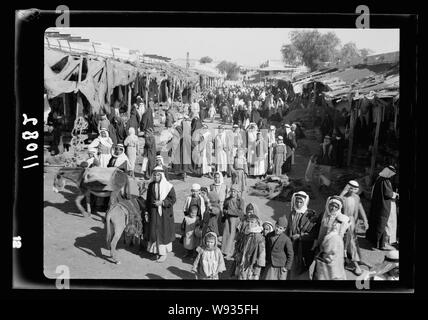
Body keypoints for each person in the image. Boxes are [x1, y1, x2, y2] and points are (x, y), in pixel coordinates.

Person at [287, 191, 321, 280]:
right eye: (297, 201)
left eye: (300, 202)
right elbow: (288, 229)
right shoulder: (292, 213)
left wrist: (299, 236)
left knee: (302, 270)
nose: (298, 204)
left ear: (305, 202)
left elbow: (313, 234)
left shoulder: (310, 215)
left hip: (303, 248)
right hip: (292, 245)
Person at [146, 166, 176, 263]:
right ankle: (156, 252)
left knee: (163, 232)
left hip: (164, 214)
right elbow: (148, 200)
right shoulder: (151, 186)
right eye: (154, 175)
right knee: (154, 232)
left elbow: (173, 199)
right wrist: (147, 211)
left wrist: (163, 203)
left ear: (162, 176)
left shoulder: (169, 186)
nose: (156, 177)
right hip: (154, 213)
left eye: (158, 175)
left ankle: (163, 253)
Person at [340, 180, 369, 275]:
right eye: (351, 188)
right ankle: (356, 265)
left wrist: (365, 220)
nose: (352, 190)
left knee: (352, 241)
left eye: (355, 188)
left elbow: (361, 208)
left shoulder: (357, 197)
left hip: (353, 222)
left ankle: (350, 260)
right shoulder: (343, 197)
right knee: (350, 242)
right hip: (344, 222)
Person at [366, 165, 399, 250]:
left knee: (378, 222)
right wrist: (396, 195)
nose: (392, 176)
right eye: (391, 174)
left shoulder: (379, 179)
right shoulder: (385, 181)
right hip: (384, 206)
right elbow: (388, 194)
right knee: (384, 223)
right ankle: (382, 244)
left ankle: (377, 242)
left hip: (378, 205)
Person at [312, 213, 350, 280]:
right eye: (346, 228)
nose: (346, 230)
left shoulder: (336, 236)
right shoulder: (334, 238)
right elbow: (328, 258)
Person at [234, 214, 266, 280]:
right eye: (248, 221)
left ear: (257, 223)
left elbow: (261, 255)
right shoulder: (245, 233)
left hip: (252, 265)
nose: (249, 224)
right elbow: (239, 248)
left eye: (252, 222)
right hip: (243, 263)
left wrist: (257, 272)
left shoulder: (259, 237)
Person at [263, 216, 294, 280]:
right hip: (271, 264)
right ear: (275, 225)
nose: (277, 229)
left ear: (284, 229)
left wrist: (286, 267)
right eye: (277, 227)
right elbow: (267, 248)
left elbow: (290, 254)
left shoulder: (286, 239)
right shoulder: (269, 235)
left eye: (280, 228)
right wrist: (266, 259)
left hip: (281, 266)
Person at [221, 185, 246, 258]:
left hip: (235, 219)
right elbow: (224, 208)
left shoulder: (240, 200)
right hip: (227, 218)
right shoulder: (227, 199)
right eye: (231, 191)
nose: (233, 192)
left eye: (234, 191)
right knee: (226, 233)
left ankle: (230, 251)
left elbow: (240, 212)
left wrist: (230, 212)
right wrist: (225, 211)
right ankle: (224, 250)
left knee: (233, 235)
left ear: (238, 192)